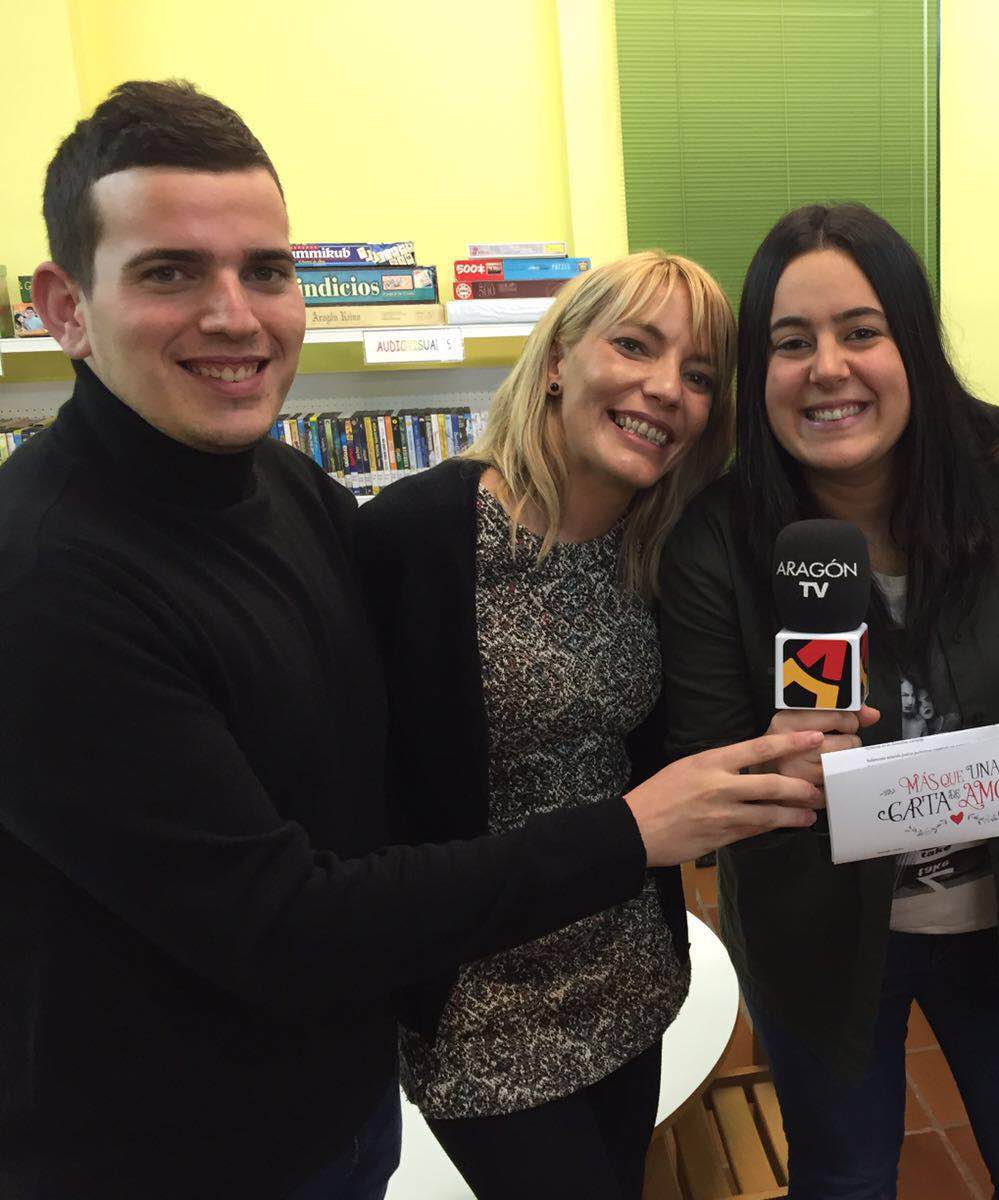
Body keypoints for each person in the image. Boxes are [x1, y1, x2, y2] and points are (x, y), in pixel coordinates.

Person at [0, 79, 824, 1199]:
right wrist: (634, 832)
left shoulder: (291, 488)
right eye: (168, 272)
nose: (234, 316)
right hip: (203, 1134)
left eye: (266, 270)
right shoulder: (50, 579)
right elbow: (286, 916)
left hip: (406, 1070)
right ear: (65, 306)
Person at [657, 202, 999, 1199]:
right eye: (791, 343)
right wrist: (769, 769)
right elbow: (703, 761)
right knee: (843, 1182)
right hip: (818, 947)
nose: (827, 369)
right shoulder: (716, 539)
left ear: (911, 340)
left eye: (860, 332)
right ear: (759, 371)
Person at [353, 250, 735, 1199]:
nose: (664, 390)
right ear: (560, 356)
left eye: (697, 375)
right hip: (477, 1006)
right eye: (636, 347)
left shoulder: (658, 549)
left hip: (628, 976)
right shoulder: (417, 536)